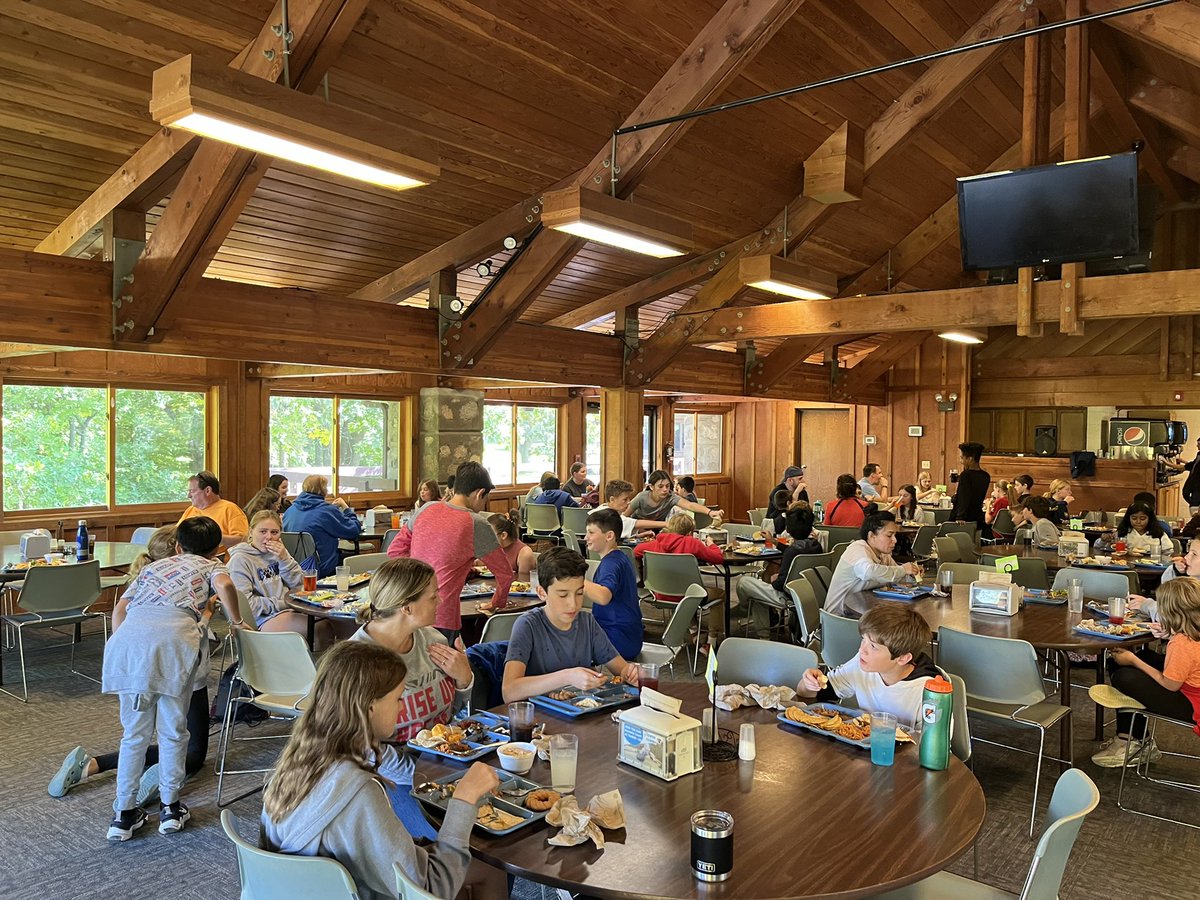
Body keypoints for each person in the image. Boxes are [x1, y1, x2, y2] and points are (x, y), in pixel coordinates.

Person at [262, 641, 498, 899]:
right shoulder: (358, 791)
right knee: (487, 869)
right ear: (370, 707)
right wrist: (463, 800)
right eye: (398, 698)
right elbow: (430, 890)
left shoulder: (294, 764)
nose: (402, 707)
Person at [101, 516, 241, 841]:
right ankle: (170, 809)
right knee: (173, 731)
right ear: (217, 549)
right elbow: (226, 586)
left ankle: (123, 816)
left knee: (133, 735)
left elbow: (119, 611)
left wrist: (129, 646)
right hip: (173, 647)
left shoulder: (151, 569)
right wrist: (235, 621)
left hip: (129, 646)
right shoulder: (211, 566)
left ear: (177, 545)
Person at [49, 527, 210, 808]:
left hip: (137, 662)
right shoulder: (196, 581)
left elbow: (119, 613)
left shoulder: (146, 583)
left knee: (136, 733)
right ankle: (157, 783)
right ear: (179, 553)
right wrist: (209, 612)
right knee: (189, 748)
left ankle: (95, 768)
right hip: (182, 670)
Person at [348, 557, 474, 839]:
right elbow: (364, 750)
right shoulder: (357, 662)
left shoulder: (433, 642)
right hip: (389, 780)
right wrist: (424, 775)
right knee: (462, 833)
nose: (440, 600)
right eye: (433, 596)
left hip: (442, 763)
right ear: (407, 607)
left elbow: (450, 717)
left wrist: (464, 679)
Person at [387, 461, 512, 643]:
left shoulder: (426, 508)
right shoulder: (476, 523)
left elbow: (395, 551)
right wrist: (495, 604)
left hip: (408, 610)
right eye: (485, 499)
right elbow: (505, 574)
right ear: (479, 494)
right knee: (446, 669)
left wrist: (416, 580)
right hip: (442, 615)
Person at [502, 547, 639, 702]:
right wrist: (567, 676)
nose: (573, 604)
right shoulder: (528, 625)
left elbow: (622, 669)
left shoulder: (587, 622)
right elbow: (509, 691)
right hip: (540, 718)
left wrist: (631, 673)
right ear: (542, 593)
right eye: (563, 595)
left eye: (579, 593)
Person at [1090, 577, 1200, 767]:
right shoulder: (1189, 633)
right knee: (1144, 657)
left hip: (1193, 703)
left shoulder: (1181, 643)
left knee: (1125, 675)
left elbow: (1170, 684)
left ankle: (1134, 740)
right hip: (1192, 688)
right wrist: (1171, 635)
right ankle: (1132, 737)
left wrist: (1134, 660)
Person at [795, 604, 938, 729]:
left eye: (873, 646)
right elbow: (813, 694)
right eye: (863, 640)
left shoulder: (930, 692)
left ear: (902, 658)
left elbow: (930, 748)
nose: (862, 650)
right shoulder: (861, 663)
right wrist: (809, 684)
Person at [734, 502, 822, 637]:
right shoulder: (816, 546)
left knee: (744, 582)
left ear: (789, 529)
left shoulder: (792, 551)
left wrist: (774, 580)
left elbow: (780, 585)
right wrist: (775, 542)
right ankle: (764, 635)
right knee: (757, 594)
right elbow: (795, 553)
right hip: (809, 595)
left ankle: (745, 610)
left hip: (786, 596)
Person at [227, 510, 312, 637]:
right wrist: (285, 602)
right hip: (262, 620)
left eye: (274, 532)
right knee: (320, 629)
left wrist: (284, 560)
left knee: (335, 622)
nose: (269, 537)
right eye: (263, 531)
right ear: (251, 532)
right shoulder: (240, 560)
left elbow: (300, 584)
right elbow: (247, 606)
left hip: (291, 609)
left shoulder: (279, 551)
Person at [824, 513, 922, 616]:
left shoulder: (884, 555)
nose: (895, 540)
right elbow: (870, 572)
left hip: (864, 614)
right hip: (840, 618)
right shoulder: (857, 549)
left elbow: (895, 577)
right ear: (871, 536)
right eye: (889, 535)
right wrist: (903, 570)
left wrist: (911, 574)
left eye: (895, 535)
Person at [582, 508, 643, 661]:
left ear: (609, 536)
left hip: (617, 640)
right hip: (629, 636)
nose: (585, 537)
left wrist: (573, 579)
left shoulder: (611, 564)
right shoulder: (619, 557)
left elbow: (603, 597)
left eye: (591, 533)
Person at [282, 474, 363, 578]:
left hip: (294, 567)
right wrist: (346, 508)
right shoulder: (327, 511)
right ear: (323, 490)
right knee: (354, 559)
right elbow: (353, 531)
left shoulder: (290, 511)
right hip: (323, 567)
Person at [177, 470, 248, 552]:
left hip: (219, 559)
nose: (188, 496)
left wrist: (212, 538)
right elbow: (176, 532)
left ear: (207, 491)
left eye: (192, 491)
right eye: (188, 491)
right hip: (189, 556)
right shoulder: (191, 510)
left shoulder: (230, 509)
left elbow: (242, 540)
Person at [630, 469, 723, 522]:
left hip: (656, 531)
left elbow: (690, 505)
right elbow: (624, 517)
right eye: (660, 486)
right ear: (651, 487)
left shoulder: (670, 497)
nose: (665, 489)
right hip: (637, 530)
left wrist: (710, 512)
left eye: (667, 486)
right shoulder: (641, 497)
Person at [593, 478, 665, 540]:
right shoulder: (606, 515)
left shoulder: (601, 509)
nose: (629, 502)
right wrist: (667, 524)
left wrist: (637, 536)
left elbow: (617, 536)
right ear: (612, 499)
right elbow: (636, 523)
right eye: (625, 499)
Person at [949, 442, 990, 531]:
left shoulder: (965, 475)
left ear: (970, 459)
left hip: (963, 519)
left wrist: (960, 516)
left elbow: (964, 497)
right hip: (977, 516)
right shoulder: (985, 476)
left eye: (962, 458)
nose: (961, 461)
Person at [487, 512, 536, 579]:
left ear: (503, 535)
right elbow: (481, 564)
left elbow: (525, 582)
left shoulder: (524, 553)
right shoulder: (494, 548)